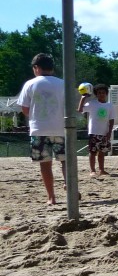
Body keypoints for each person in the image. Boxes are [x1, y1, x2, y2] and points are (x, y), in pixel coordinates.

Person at [16, 53, 66, 205]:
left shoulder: (30, 84)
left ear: (36, 68)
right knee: (65, 162)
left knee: (45, 164)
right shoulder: (63, 83)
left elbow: (24, 109)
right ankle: (68, 185)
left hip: (39, 129)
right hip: (60, 128)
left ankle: (51, 197)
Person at [77, 83, 115, 176]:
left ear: (106, 93)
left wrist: (109, 132)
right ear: (96, 94)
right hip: (93, 132)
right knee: (92, 152)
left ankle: (101, 169)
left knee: (102, 152)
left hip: (104, 132)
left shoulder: (110, 106)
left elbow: (111, 120)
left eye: (103, 92)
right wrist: (83, 98)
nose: (101, 94)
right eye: (99, 93)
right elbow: (80, 110)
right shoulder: (92, 103)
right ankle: (92, 170)